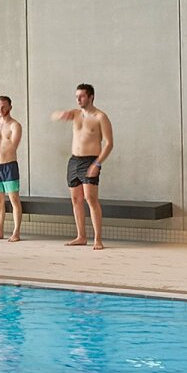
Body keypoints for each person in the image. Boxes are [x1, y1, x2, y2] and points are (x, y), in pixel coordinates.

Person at [59, 84, 112, 249]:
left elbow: (109, 143)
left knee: (91, 199)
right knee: (76, 200)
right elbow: (55, 115)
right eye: (76, 96)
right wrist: (60, 115)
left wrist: (97, 163)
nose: (78, 99)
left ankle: (98, 239)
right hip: (74, 161)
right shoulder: (75, 114)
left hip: (90, 161)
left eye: (81, 96)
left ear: (91, 97)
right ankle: (81, 236)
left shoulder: (100, 117)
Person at [0, 95, 25, 243]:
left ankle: (16, 232)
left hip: (9, 166)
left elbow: (12, 145)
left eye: (3, 106)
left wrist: (1, 155)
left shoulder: (15, 125)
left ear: (10, 107)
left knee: (14, 198)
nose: (0, 109)